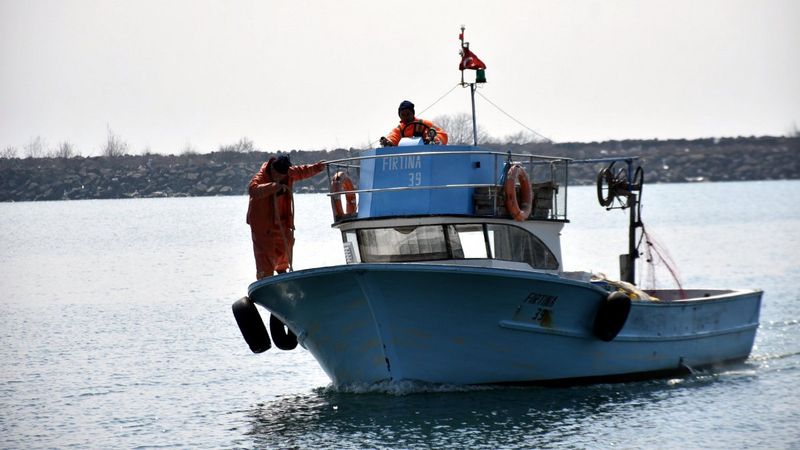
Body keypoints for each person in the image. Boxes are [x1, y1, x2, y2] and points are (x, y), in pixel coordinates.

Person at [246, 155, 325, 279]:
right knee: (264, 255)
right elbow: (252, 189)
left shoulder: (288, 173)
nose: (278, 177)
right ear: (272, 168)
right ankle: (265, 279)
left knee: (285, 247)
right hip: (263, 225)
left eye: (281, 175)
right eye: (276, 174)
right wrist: (273, 187)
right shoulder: (261, 176)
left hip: (281, 221)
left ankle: (282, 273)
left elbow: (302, 171)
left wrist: (318, 167)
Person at [379, 100, 448, 147]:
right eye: (403, 115)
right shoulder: (398, 130)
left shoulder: (425, 124)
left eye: (408, 114)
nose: (406, 117)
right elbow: (393, 138)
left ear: (413, 113)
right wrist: (388, 142)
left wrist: (433, 139)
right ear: (399, 115)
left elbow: (442, 134)